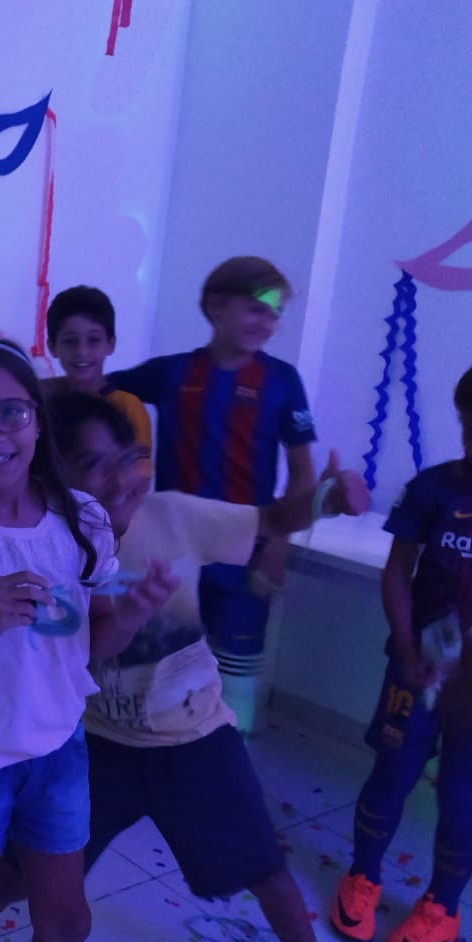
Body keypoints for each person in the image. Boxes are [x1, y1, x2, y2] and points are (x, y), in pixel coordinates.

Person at [0, 391, 368, 942]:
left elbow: (273, 518)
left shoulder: (171, 515)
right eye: (93, 463)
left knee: (265, 869)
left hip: (196, 739)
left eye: (128, 458)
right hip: (93, 747)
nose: (120, 478)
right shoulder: (47, 544)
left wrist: (329, 498)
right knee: (20, 869)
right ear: (52, 473)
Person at [0, 337, 176, 942]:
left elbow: (94, 646)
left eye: (10, 413)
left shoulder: (83, 519)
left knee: (67, 919)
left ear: (36, 417)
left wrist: (132, 614)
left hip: (57, 747)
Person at [108, 256, 317, 733]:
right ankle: (158, 750)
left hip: (247, 550)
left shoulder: (282, 381)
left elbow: (303, 474)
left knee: (237, 674)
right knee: (166, 668)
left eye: (275, 313)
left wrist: (278, 547)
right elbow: (95, 389)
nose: (268, 322)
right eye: (257, 308)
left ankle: (230, 753)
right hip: (174, 554)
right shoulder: (172, 372)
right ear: (216, 306)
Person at [330, 364, 472, 942]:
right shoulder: (432, 488)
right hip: (415, 667)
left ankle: (443, 906)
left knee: (462, 793)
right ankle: (362, 878)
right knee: (392, 772)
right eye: (470, 426)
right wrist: (411, 650)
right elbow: (397, 573)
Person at [40, 284, 152, 465]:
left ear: (111, 344)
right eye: (70, 341)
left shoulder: (128, 407)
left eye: (93, 340)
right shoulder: (41, 396)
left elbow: (137, 476)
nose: (81, 351)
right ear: (52, 346)